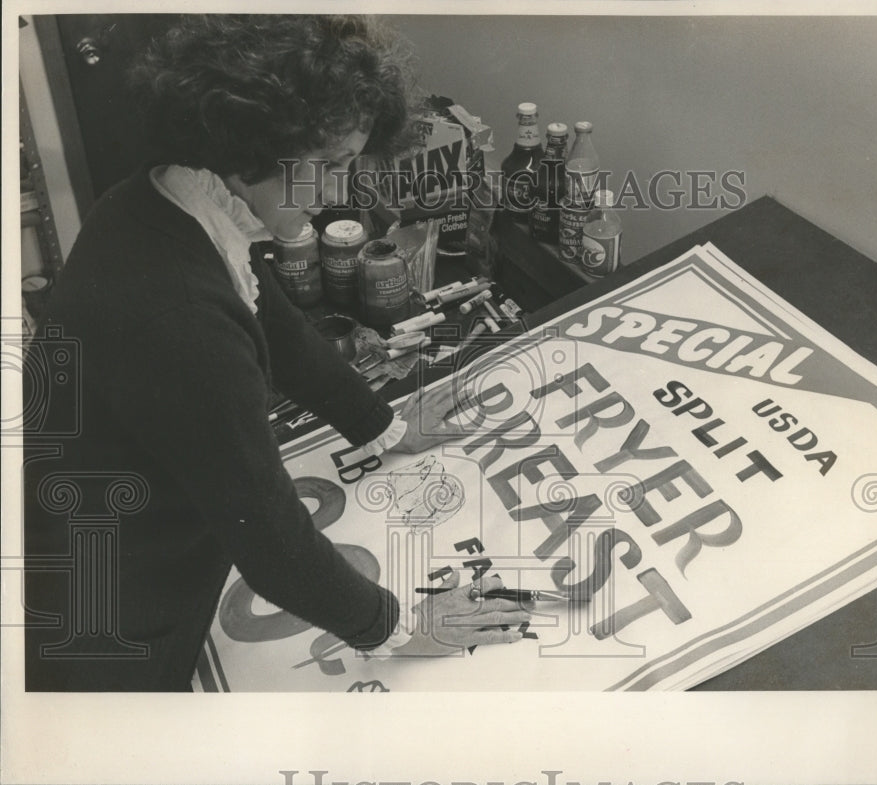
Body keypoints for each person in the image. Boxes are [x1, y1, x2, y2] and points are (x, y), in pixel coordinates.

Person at [23, 14, 529, 691]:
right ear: (249, 139)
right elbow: (269, 538)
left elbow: (277, 326)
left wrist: (387, 426)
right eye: (326, 166)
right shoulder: (181, 320)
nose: (332, 193)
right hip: (116, 627)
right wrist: (400, 628)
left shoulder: (160, 204)